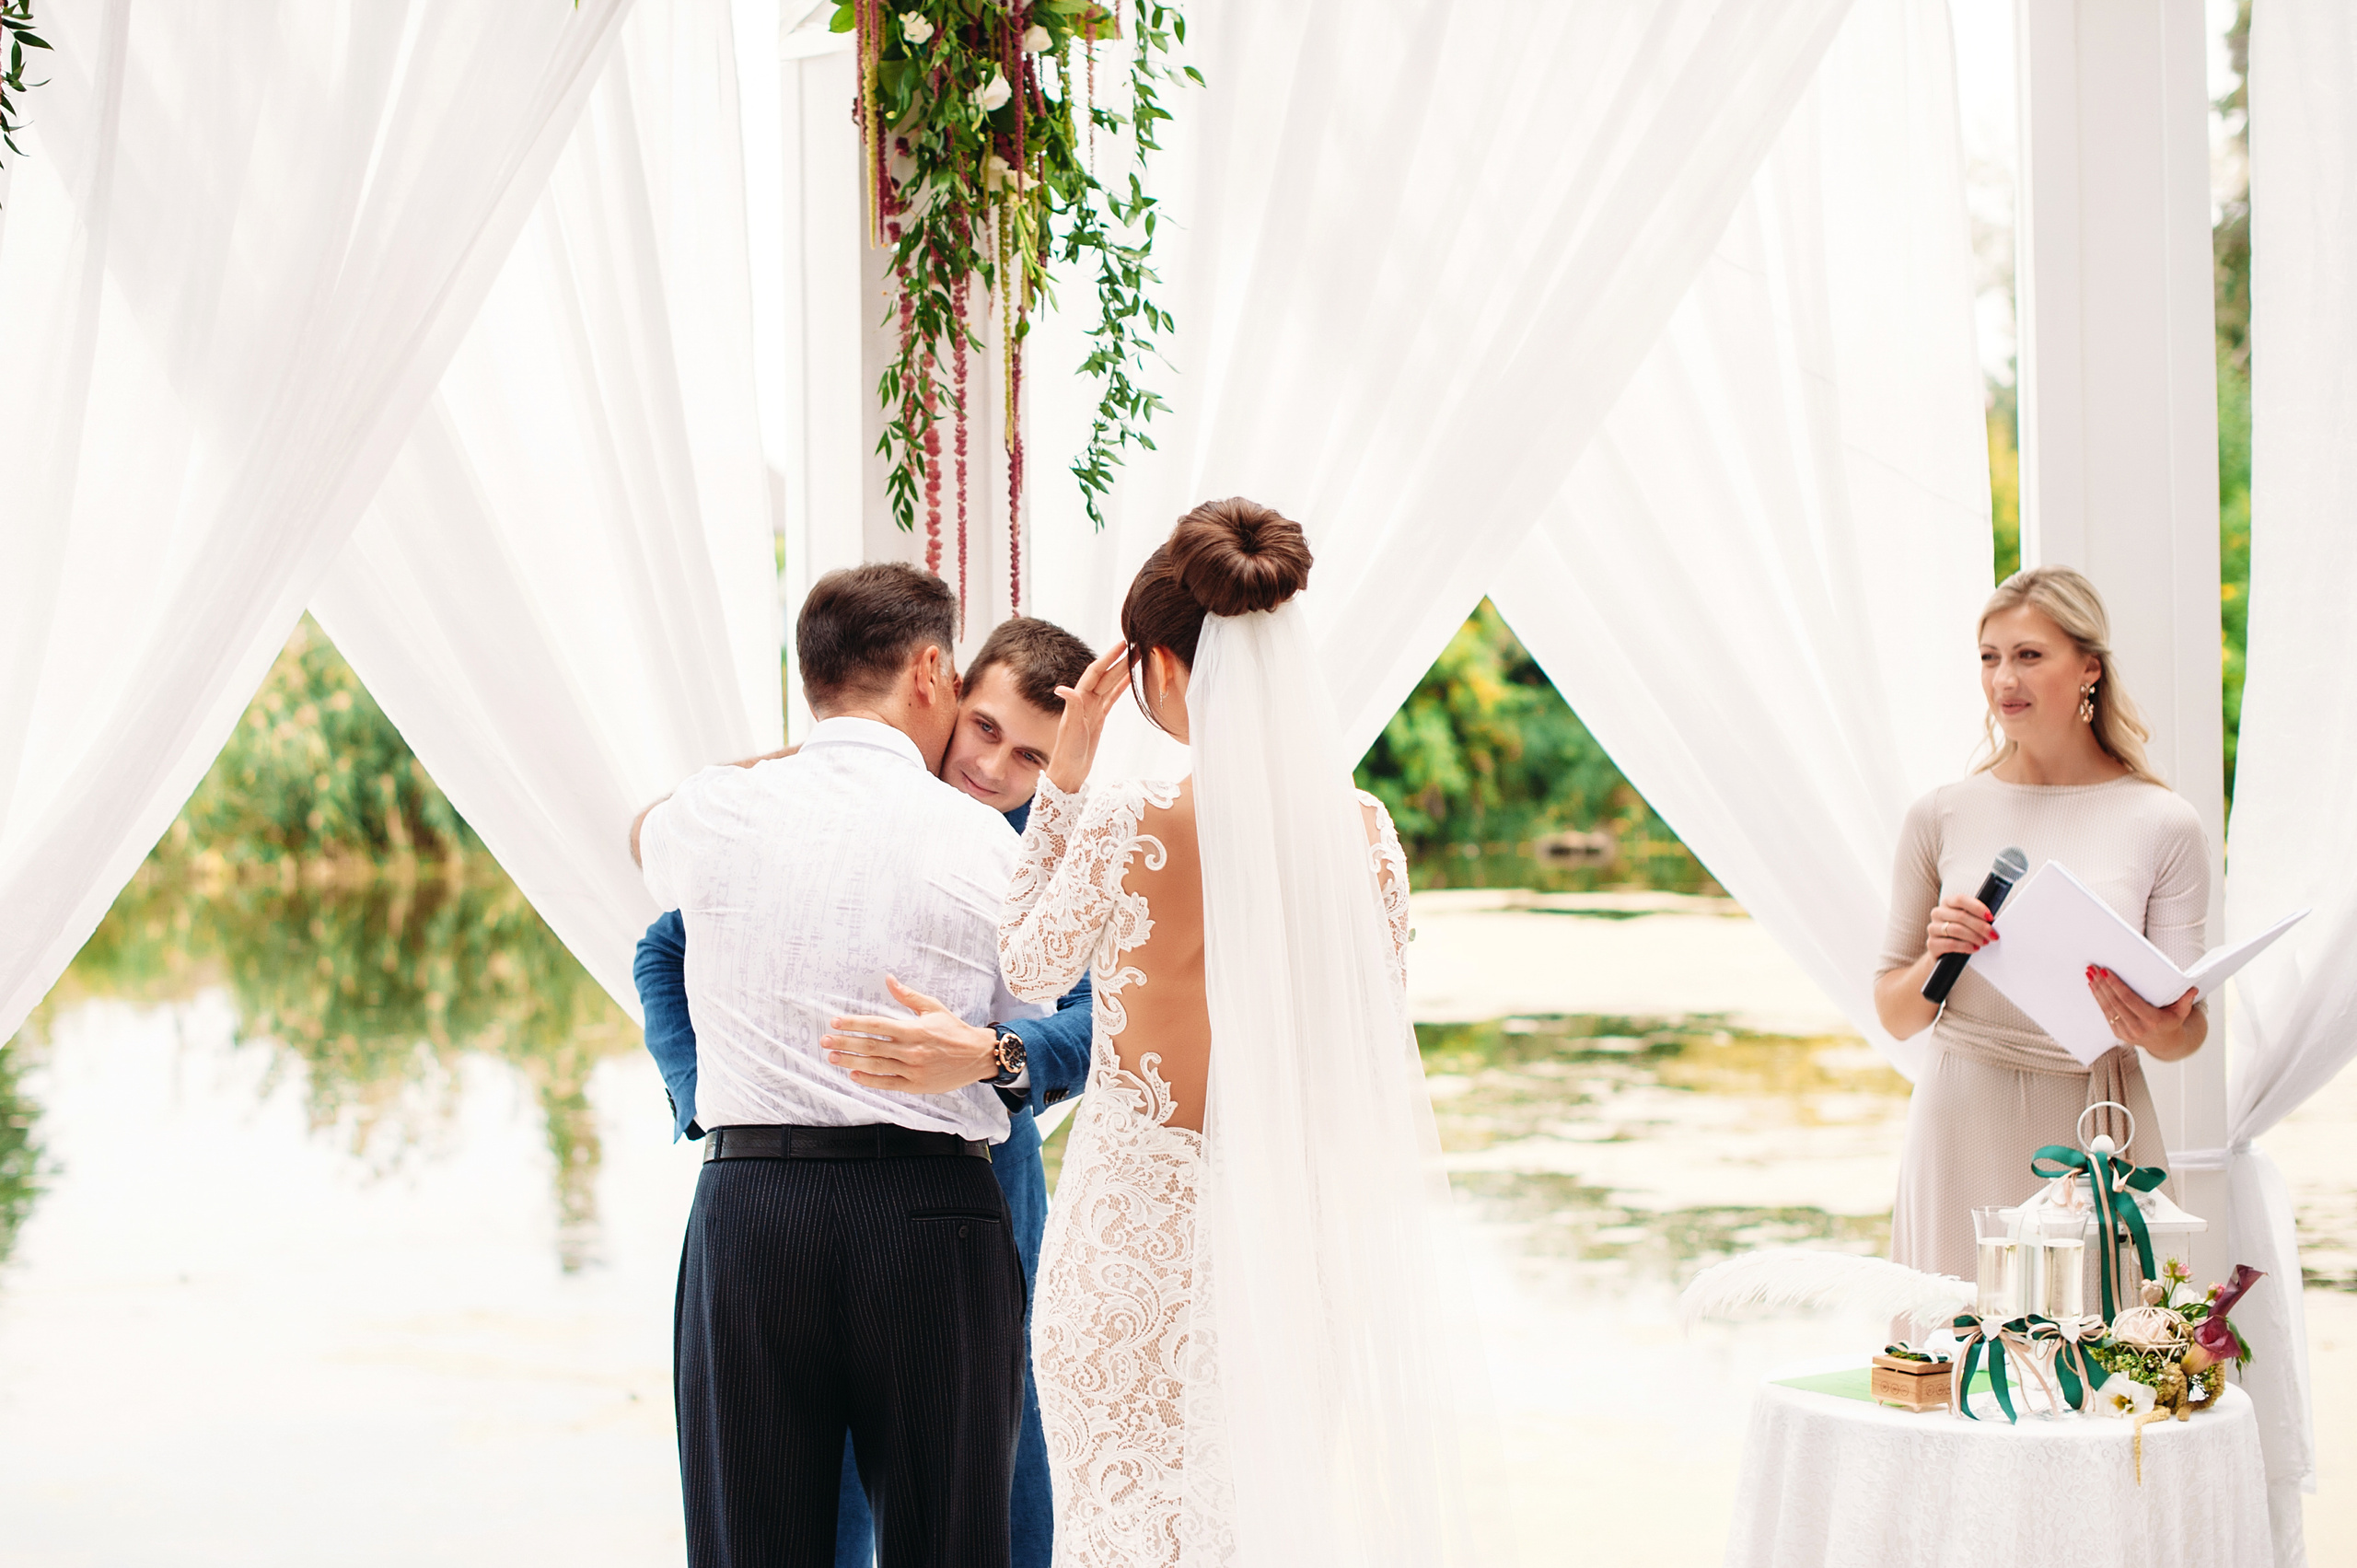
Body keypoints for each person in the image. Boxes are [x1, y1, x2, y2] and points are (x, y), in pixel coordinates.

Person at [998, 500, 1483, 1566]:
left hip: (1130, 1230)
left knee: (1112, 1518)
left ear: (1163, 668)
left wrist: (1064, 787)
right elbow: (1363, 1029)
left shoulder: (1123, 818)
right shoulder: (1366, 833)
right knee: (1262, 1515)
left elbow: (1025, 969)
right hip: (1288, 1233)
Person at [634, 615, 1098, 1568]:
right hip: (778, 1183)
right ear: (946, 691)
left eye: (1031, 757)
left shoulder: (1055, 853)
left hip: (975, 1170)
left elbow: (1098, 1013)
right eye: (985, 729)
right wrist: (706, 1097)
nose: (994, 768)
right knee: (791, 1480)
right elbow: (664, 945)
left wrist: (991, 1052)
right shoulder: (791, 807)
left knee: (992, 1474)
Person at [1874, 564, 2209, 1281]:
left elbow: (2188, 1032)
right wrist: (1941, 958)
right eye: (1989, 658)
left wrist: (2157, 1026)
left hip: (2094, 1125)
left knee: (2106, 1364)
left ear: (2089, 667)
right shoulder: (1940, 814)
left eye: (2028, 655)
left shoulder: (2164, 822)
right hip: (1961, 1117)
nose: (2004, 680)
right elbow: (1895, 1014)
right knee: (1954, 1346)